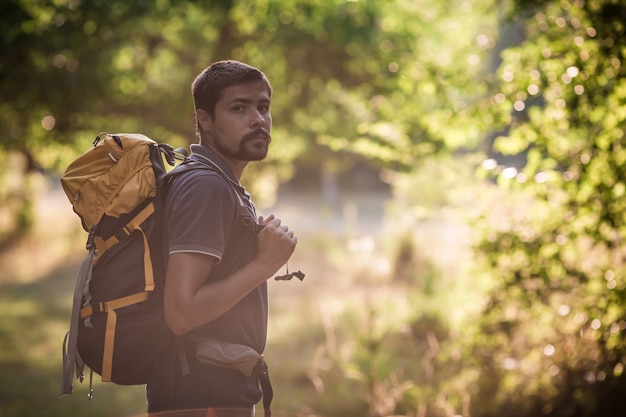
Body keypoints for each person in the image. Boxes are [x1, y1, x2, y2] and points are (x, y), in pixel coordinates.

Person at [146, 60, 298, 417]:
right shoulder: (206, 186)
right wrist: (265, 263)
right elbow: (181, 313)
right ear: (205, 120)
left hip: (211, 383)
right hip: (202, 389)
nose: (258, 119)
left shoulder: (216, 182)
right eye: (239, 108)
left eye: (263, 107)